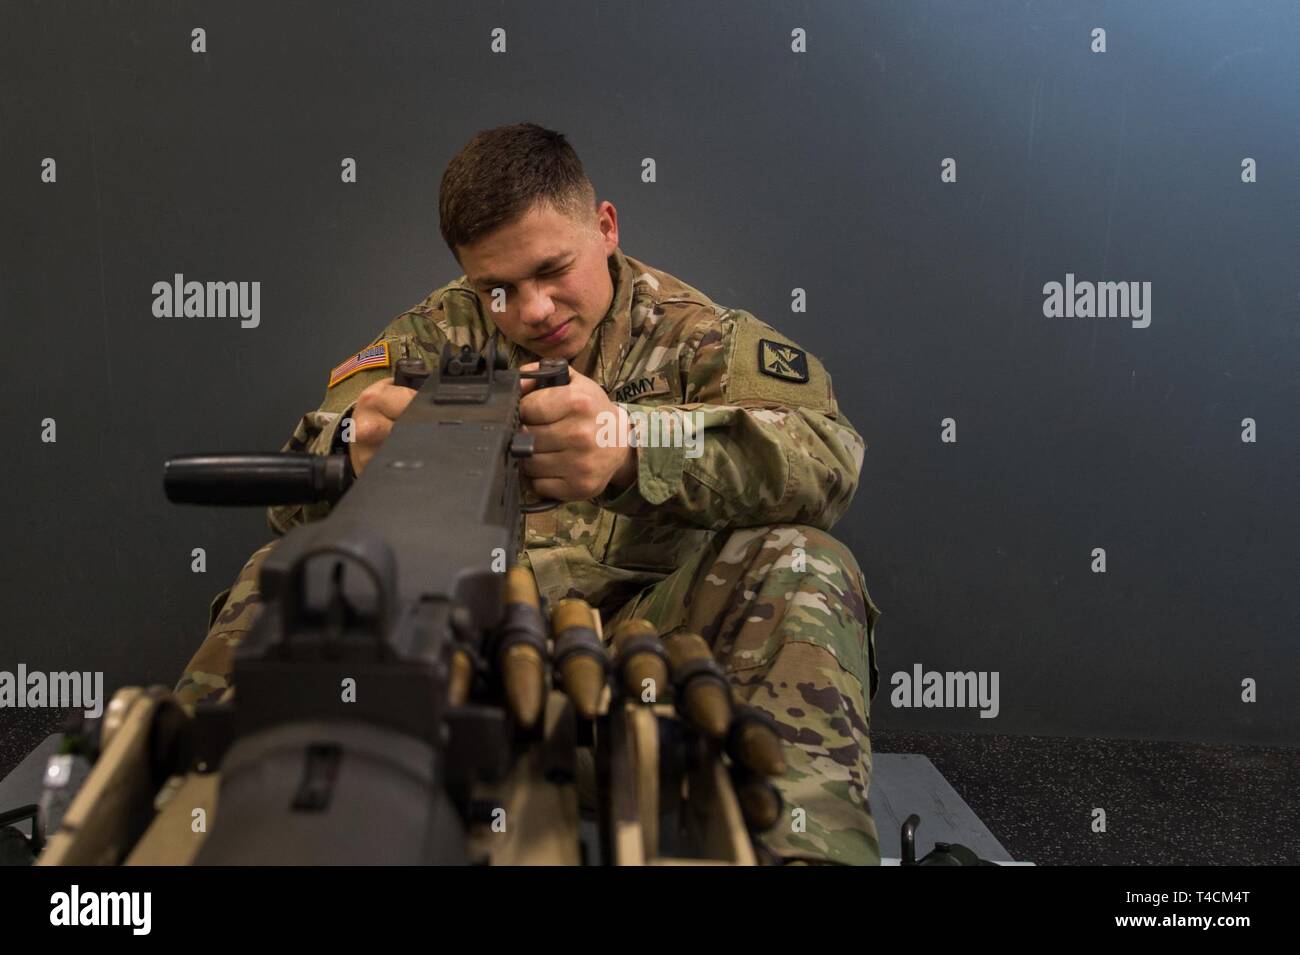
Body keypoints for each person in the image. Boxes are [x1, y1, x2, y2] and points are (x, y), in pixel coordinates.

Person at [175, 122, 882, 865]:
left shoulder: (695, 335)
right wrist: (352, 449)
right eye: (499, 289)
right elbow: (293, 501)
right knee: (286, 570)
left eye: (553, 270)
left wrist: (634, 446)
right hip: (450, 651)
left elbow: (828, 455)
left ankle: (805, 849)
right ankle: (180, 819)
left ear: (605, 228)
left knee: (804, 563)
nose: (534, 309)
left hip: (644, 656)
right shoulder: (431, 336)